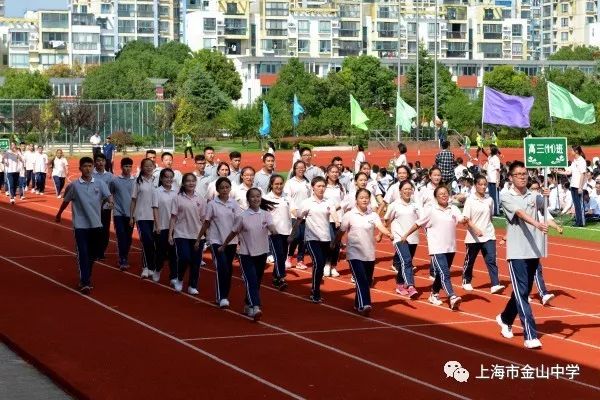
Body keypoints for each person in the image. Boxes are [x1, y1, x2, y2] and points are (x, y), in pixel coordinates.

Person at [495, 160, 549, 349]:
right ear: (510, 177)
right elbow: (518, 213)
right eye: (518, 174)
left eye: (524, 174)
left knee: (522, 292)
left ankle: (504, 318)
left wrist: (546, 196)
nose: (522, 177)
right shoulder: (505, 195)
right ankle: (530, 334)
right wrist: (536, 224)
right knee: (522, 293)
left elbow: (544, 209)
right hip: (517, 251)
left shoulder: (533, 195)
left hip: (533, 250)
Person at [403, 186, 466, 310]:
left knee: (442, 274)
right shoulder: (431, 210)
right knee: (445, 273)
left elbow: (461, 219)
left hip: (451, 247)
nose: (443, 196)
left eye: (445, 193)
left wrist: (466, 218)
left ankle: (434, 294)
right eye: (440, 194)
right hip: (437, 247)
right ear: (436, 197)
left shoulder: (453, 208)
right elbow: (418, 223)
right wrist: (406, 235)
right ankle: (452, 296)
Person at [55, 157, 113, 293]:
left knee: (92, 254)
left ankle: (86, 274)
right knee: (82, 253)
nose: (88, 168)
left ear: (93, 168)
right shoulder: (74, 186)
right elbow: (66, 201)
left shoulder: (99, 183)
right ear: (80, 168)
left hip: (96, 225)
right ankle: (85, 281)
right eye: (85, 166)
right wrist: (59, 214)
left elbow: (109, 195)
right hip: (80, 226)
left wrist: (110, 202)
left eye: (90, 166)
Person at [220, 188, 278, 320]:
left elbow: (271, 227)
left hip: (262, 253)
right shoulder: (242, 216)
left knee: (256, 282)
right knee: (251, 281)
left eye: (258, 196)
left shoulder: (266, 215)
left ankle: (247, 304)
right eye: (253, 197)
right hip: (246, 254)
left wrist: (275, 232)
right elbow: (233, 232)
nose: (256, 199)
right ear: (248, 199)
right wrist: (224, 245)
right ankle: (256, 306)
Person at [333, 188, 393, 315]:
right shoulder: (350, 215)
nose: (364, 200)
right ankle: (364, 304)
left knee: (367, 281)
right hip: (354, 253)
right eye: (361, 197)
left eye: (366, 197)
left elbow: (380, 227)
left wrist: (388, 233)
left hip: (369, 253)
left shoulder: (373, 215)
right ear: (356, 200)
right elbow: (341, 231)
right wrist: (335, 243)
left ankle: (357, 303)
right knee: (361, 280)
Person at [292, 176, 339, 303]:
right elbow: (299, 219)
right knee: (318, 263)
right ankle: (315, 291)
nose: (321, 188)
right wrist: (292, 235)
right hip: (312, 238)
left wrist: (337, 220)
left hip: (325, 238)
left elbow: (333, 213)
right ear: (313, 187)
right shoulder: (306, 203)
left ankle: (316, 286)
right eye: (319, 186)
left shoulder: (328, 201)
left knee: (321, 264)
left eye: (323, 186)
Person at [197, 177, 242, 308]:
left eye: (227, 187)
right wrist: (199, 238)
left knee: (228, 269)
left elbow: (239, 222)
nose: (224, 190)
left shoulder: (234, 204)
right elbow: (206, 222)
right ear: (217, 190)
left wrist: (241, 240)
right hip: (216, 241)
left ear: (230, 189)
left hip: (231, 242)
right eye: (221, 187)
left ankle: (224, 295)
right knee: (222, 267)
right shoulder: (212, 204)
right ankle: (221, 297)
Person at [461, 175, 505, 294]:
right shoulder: (470, 200)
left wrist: (486, 228)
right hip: (473, 237)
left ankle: (495, 284)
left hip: (489, 234)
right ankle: (466, 280)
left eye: (485, 184)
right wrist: (475, 229)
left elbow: (490, 216)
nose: (483, 186)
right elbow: (466, 218)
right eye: (480, 184)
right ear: (475, 185)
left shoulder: (489, 200)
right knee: (470, 260)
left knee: (491, 259)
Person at [170, 173, 207, 295]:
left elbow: (203, 219)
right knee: (184, 257)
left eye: (193, 181)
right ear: (183, 183)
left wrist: (206, 235)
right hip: (181, 234)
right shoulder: (177, 197)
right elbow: (173, 217)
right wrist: (170, 234)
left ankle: (192, 285)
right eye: (188, 181)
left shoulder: (200, 198)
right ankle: (179, 279)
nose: (191, 183)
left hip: (197, 235)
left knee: (196, 262)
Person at [384, 180, 421, 298]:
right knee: (407, 261)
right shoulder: (394, 205)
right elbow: (387, 219)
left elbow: (422, 220)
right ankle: (410, 286)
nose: (408, 191)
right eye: (405, 189)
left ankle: (400, 285)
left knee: (406, 262)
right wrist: (388, 231)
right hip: (399, 237)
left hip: (413, 238)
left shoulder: (416, 205)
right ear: (400, 191)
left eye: (410, 189)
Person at [264, 175, 293, 290]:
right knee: (278, 255)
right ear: (271, 184)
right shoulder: (266, 198)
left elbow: (293, 210)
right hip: (273, 232)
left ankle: (276, 277)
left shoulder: (287, 197)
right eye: (276, 184)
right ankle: (281, 278)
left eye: (281, 184)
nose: (279, 186)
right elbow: (264, 216)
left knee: (282, 256)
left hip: (286, 231)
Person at [130, 158, 157, 279]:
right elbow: (133, 200)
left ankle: (152, 267)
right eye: (146, 166)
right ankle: (146, 267)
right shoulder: (138, 181)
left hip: (156, 217)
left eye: (151, 166)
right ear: (142, 167)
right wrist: (131, 217)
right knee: (147, 240)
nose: (149, 168)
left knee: (154, 242)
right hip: (141, 216)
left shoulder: (157, 181)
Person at [284, 160, 312, 270]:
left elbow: (311, 198)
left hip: (306, 215)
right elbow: (287, 198)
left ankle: (300, 260)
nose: (301, 169)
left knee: (303, 239)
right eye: (298, 167)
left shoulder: (308, 183)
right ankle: (289, 257)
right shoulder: (290, 183)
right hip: (294, 215)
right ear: (294, 169)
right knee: (295, 237)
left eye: (303, 167)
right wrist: (294, 211)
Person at [152, 168, 178, 283]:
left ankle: (173, 276)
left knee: (174, 253)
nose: (168, 179)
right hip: (161, 226)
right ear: (161, 178)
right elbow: (155, 209)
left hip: (175, 228)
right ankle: (158, 269)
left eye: (170, 177)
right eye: (166, 177)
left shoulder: (177, 191)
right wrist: (157, 225)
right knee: (161, 253)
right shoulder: (157, 191)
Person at [110, 157, 135, 271]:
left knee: (128, 237)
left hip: (131, 214)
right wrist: (110, 203)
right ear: (121, 167)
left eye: (130, 166)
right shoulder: (115, 180)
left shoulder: (135, 181)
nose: (128, 169)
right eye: (126, 166)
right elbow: (109, 192)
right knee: (121, 235)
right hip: (118, 212)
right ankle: (122, 258)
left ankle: (124, 255)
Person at [323, 164, 345, 278]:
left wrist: (336, 209)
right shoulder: (323, 186)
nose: (335, 174)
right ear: (327, 173)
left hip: (339, 218)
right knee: (330, 242)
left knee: (337, 244)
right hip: (326, 218)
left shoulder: (341, 187)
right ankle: (326, 264)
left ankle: (333, 266)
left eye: (337, 172)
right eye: (332, 172)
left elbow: (343, 202)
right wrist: (330, 210)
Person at [556, 145, 587, 227]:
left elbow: (583, 174)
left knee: (580, 205)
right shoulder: (574, 161)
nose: (570, 152)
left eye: (572, 150)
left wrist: (580, 187)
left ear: (576, 151)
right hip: (573, 185)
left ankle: (581, 222)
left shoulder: (581, 161)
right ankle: (578, 221)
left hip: (578, 186)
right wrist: (559, 172)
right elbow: (569, 172)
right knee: (576, 205)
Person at [93, 154, 114, 261]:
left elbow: (112, 191)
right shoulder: (91, 174)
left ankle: (101, 251)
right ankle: (94, 250)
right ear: (95, 162)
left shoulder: (110, 176)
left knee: (104, 230)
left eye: (102, 160)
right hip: (93, 208)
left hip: (105, 207)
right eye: (98, 160)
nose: (100, 163)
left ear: (105, 162)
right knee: (94, 229)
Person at [486, 145, 501, 216]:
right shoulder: (489, 157)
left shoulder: (496, 158)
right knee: (491, 196)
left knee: (495, 196)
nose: (487, 150)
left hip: (494, 180)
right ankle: (492, 210)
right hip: (489, 180)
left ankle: (496, 211)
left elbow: (497, 170)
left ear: (492, 150)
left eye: (488, 149)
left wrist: (498, 180)